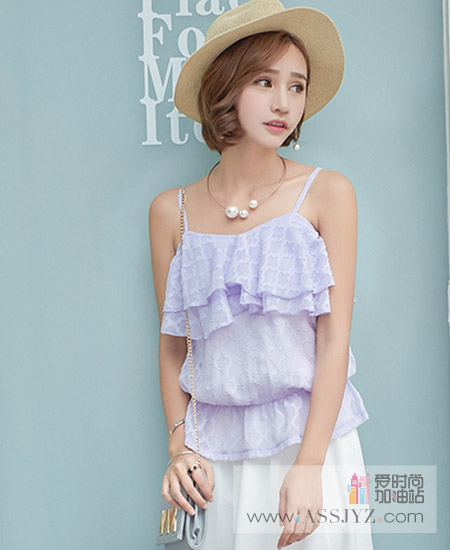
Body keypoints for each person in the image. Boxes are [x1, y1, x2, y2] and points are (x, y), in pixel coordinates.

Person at [149, 1, 374, 548]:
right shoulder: (171, 211)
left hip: (312, 446)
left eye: (297, 86)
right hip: (215, 456)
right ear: (225, 87)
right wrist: (179, 449)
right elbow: (174, 347)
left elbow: (334, 339)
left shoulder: (328, 193)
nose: (284, 103)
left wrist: (309, 467)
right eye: (265, 81)